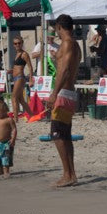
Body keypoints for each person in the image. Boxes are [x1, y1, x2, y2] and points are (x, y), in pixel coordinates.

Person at [47, 14, 81, 187]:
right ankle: (71, 174)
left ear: (60, 27)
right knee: (65, 135)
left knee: (57, 134)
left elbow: (65, 70)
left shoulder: (67, 44)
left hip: (63, 92)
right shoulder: (74, 45)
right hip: (68, 91)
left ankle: (68, 175)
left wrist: (54, 93)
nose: (56, 33)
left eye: (56, 29)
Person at [10, 36, 34, 122]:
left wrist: (31, 80)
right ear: (13, 44)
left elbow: (30, 67)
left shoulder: (24, 54)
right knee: (20, 99)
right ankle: (31, 115)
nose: (17, 45)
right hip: (16, 77)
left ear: (22, 43)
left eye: (19, 43)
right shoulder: (17, 54)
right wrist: (11, 71)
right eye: (15, 43)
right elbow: (17, 67)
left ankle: (15, 119)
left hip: (20, 78)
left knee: (14, 97)